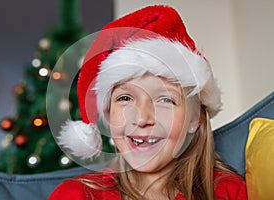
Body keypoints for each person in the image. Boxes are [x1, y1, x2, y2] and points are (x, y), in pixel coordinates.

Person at [48, 5, 247, 200]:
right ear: (109, 115)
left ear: (195, 118)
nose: (142, 118)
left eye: (165, 100)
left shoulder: (229, 192)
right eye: (125, 98)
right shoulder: (76, 195)